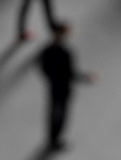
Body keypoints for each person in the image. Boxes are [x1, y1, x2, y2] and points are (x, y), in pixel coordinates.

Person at [38, 22, 91, 150]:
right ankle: (55, 141)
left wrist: (50, 78)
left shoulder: (47, 50)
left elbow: (42, 67)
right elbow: (70, 73)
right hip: (64, 88)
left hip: (53, 86)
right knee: (61, 115)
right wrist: (86, 78)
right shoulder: (65, 52)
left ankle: (51, 139)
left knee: (52, 112)